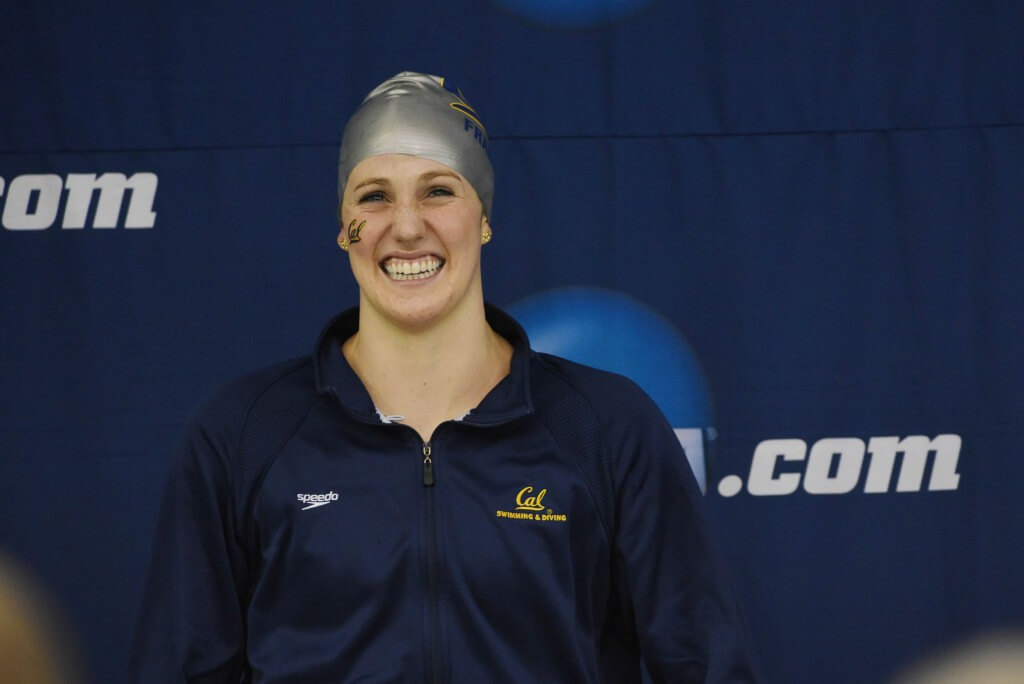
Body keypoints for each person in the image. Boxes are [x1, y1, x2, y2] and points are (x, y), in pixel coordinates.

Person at [130, 72, 754, 683]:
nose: (405, 227)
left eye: (438, 191)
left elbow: (705, 664)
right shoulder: (246, 431)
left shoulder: (605, 427)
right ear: (343, 225)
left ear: (483, 217)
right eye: (373, 196)